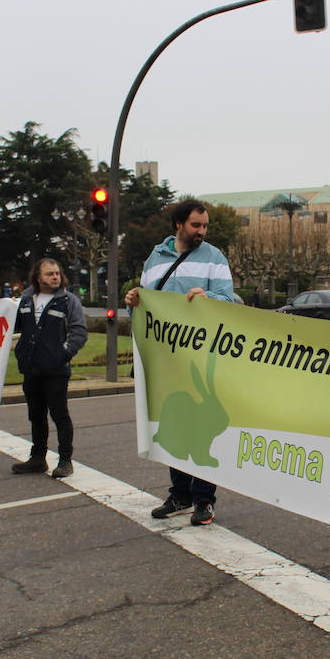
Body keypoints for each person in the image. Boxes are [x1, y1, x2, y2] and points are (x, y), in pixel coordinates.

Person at [125, 200, 240, 527]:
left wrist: (209, 299)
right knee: (174, 426)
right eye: (195, 226)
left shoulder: (215, 258)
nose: (201, 232)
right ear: (179, 224)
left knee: (202, 428)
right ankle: (180, 493)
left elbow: (227, 300)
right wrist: (134, 300)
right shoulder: (155, 258)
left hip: (201, 358)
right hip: (167, 360)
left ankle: (204, 500)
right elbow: (146, 308)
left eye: (205, 226)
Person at [10, 257, 87, 478]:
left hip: (55, 371)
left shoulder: (68, 301)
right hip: (31, 369)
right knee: (36, 415)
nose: (55, 277)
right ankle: (38, 458)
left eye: (57, 273)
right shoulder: (25, 300)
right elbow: (14, 326)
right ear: (37, 277)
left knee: (60, 415)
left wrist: (62, 355)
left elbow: (79, 332)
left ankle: (65, 460)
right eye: (49, 273)